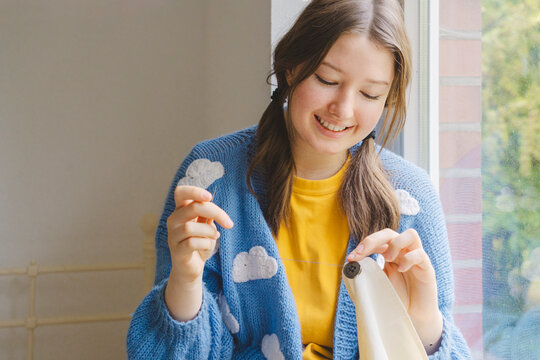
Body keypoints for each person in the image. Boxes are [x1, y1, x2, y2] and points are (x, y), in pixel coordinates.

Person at [127, 0, 472, 358]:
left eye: (370, 94)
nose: (343, 108)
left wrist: (425, 319)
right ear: (290, 67)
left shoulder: (412, 198)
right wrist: (184, 280)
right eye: (327, 79)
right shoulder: (211, 175)